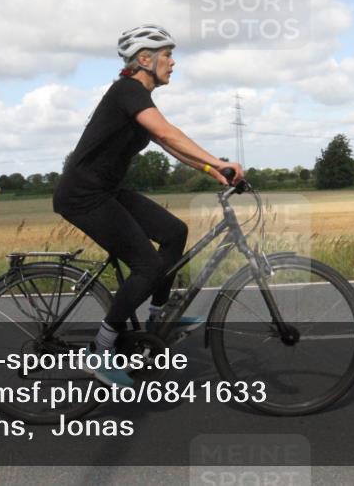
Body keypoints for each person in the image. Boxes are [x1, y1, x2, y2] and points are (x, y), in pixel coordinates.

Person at [53, 24, 244, 387]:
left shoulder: (138, 97)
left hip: (107, 190)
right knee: (147, 265)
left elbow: (167, 144)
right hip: (83, 195)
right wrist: (220, 163)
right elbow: (168, 132)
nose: (173, 63)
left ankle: (159, 320)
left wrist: (210, 169)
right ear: (145, 59)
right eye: (167, 55)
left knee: (175, 232)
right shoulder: (127, 90)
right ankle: (102, 349)